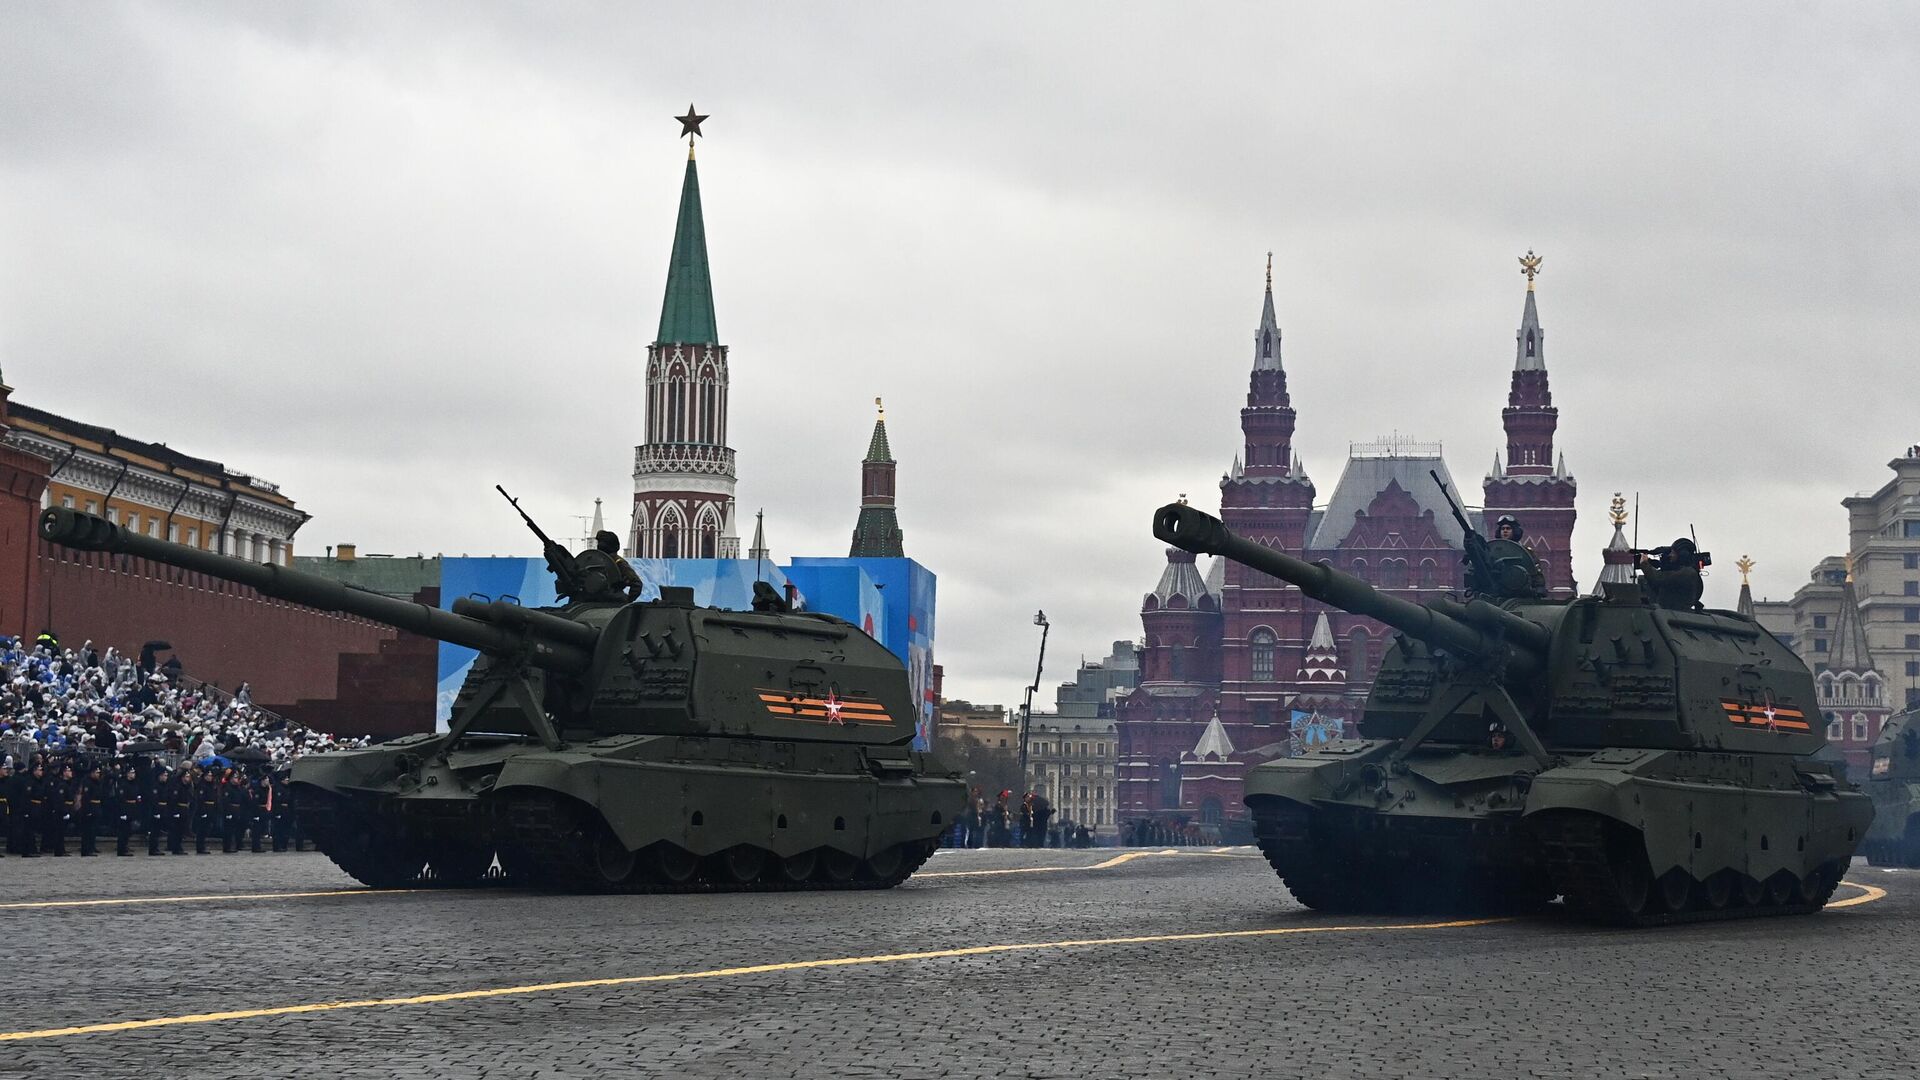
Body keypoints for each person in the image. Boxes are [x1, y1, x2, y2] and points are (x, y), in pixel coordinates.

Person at [596, 531, 644, 602]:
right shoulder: (595, 560)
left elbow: (636, 583)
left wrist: (627, 601)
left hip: (613, 602)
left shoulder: (618, 562)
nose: (598, 545)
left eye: (600, 542)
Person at [112, 762, 144, 856]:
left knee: (128, 830)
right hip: (125, 809)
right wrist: (122, 813)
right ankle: (121, 849)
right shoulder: (123, 784)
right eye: (131, 772)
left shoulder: (134, 784)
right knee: (123, 831)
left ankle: (125, 846)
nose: (133, 774)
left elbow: (136, 795)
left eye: (134, 773)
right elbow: (120, 799)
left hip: (132, 808)